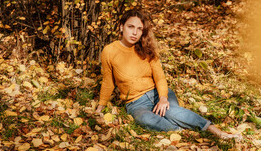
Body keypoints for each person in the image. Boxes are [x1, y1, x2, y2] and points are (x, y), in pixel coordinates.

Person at [96, 9, 242, 141]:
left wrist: (163, 98)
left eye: (139, 29)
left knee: (172, 112)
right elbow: (108, 82)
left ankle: (217, 133)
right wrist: (100, 107)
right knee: (146, 119)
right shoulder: (109, 51)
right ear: (121, 26)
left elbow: (160, 78)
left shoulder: (146, 49)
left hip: (157, 94)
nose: (134, 33)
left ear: (143, 32)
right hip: (136, 103)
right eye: (131, 27)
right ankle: (183, 132)